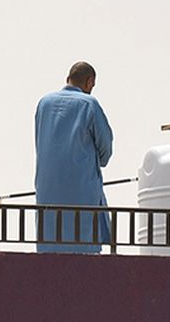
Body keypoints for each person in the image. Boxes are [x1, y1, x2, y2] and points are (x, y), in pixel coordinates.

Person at [34, 60, 114, 253]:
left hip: (47, 194)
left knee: (50, 253)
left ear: (67, 78)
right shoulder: (89, 104)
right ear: (89, 82)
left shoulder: (44, 103)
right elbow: (106, 149)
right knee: (84, 255)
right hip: (81, 194)